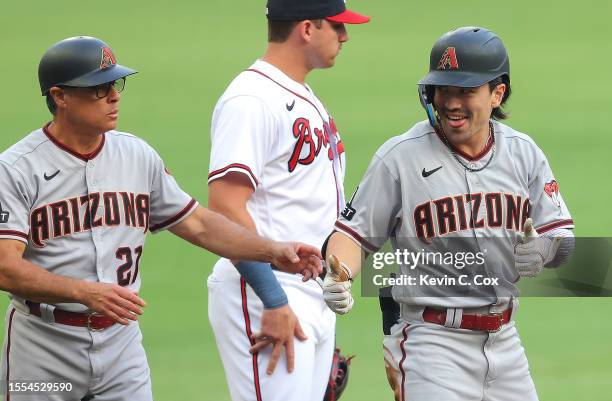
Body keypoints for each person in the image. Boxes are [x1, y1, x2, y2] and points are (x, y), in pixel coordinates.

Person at [0, 36, 322, 401]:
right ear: (60, 96)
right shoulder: (15, 170)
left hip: (122, 347)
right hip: (43, 348)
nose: (114, 96)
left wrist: (271, 250)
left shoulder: (137, 155)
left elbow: (198, 223)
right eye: (99, 88)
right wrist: (82, 292)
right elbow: (4, 267)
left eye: (115, 84)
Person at [322, 27, 575, 401]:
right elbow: (353, 235)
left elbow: (562, 237)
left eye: (465, 91)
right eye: (444, 90)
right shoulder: (400, 157)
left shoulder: (525, 154)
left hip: (505, 342)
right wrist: (339, 275)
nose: (451, 103)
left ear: (497, 94)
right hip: (432, 343)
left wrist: (546, 250)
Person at [206, 0, 369, 400]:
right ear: (307, 29)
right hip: (268, 289)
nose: (345, 36)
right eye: (337, 26)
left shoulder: (298, 92)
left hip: (308, 289)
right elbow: (225, 206)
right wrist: (273, 299)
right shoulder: (251, 100)